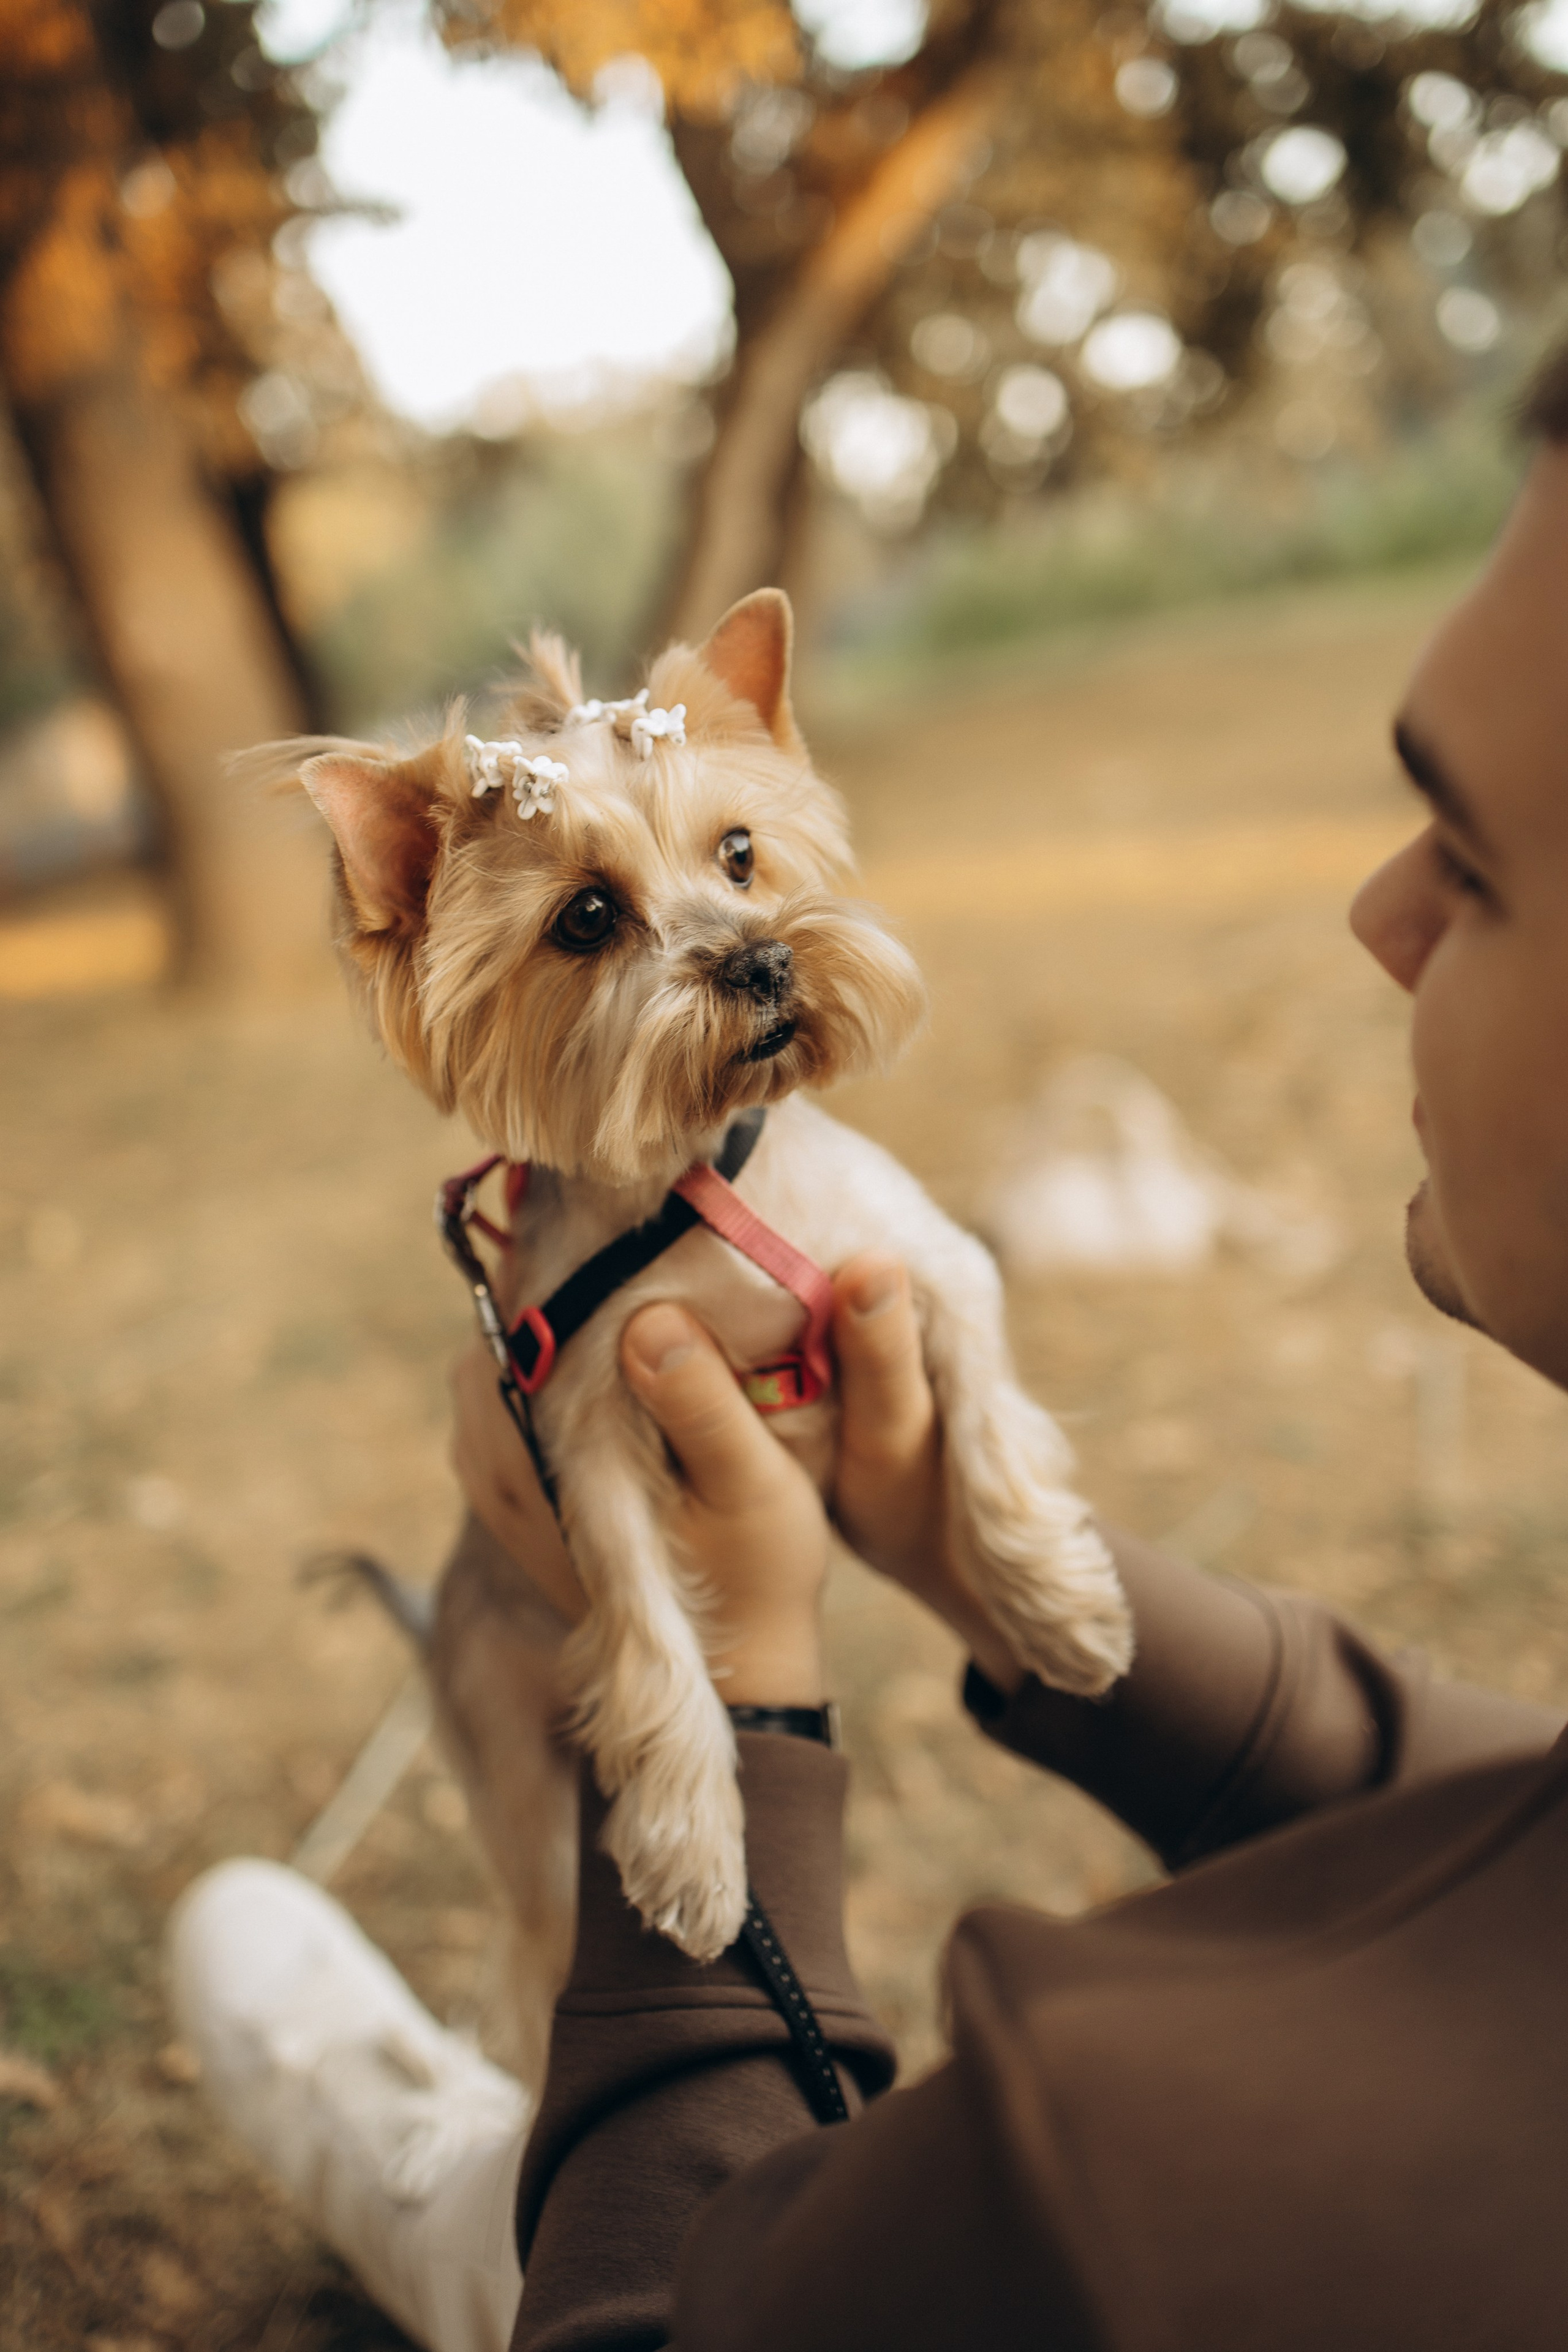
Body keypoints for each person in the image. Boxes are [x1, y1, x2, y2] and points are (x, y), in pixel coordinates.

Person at [171, 342, 1568, 2352]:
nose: (1376, 911)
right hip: (656, 1640)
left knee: (569, 2190)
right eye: (593, 921)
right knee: (546, 1888)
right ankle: (526, 2112)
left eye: (1481, 861)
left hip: (687, 2253)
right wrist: (983, 1566)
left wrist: (753, 1687)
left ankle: (491, 2208)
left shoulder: (1093, 2154)